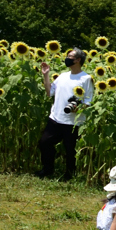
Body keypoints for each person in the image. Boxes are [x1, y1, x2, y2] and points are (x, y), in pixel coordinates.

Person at [36, 47, 92, 180]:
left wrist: (77, 109)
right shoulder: (62, 76)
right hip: (55, 118)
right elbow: (50, 92)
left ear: (78, 60)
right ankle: (47, 169)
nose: (67, 58)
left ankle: (69, 175)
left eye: (70, 56)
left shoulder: (86, 78)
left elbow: (88, 101)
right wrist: (46, 75)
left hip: (73, 122)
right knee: (44, 143)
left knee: (70, 150)